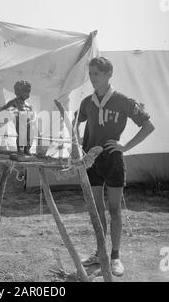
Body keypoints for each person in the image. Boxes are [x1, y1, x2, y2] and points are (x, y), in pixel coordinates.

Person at [74, 57, 155, 276]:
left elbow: (148, 126)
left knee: (114, 210)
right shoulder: (86, 102)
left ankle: (115, 256)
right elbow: (74, 123)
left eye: (96, 74)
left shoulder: (123, 101)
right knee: (96, 210)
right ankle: (99, 252)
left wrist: (126, 146)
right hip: (91, 161)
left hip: (113, 161)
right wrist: (78, 147)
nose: (92, 79)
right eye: (90, 74)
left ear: (109, 74)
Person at [0, 80, 34, 155]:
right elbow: (4, 108)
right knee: (21, 137)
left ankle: (27, 150)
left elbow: (32, 115)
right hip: (20, 122)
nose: (28, 94)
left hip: (29, 123)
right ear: (19, 92)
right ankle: (20, 151)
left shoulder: (29, 105)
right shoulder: (14, 102)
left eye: (28, 92)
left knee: (28, 137)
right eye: (26, 92)